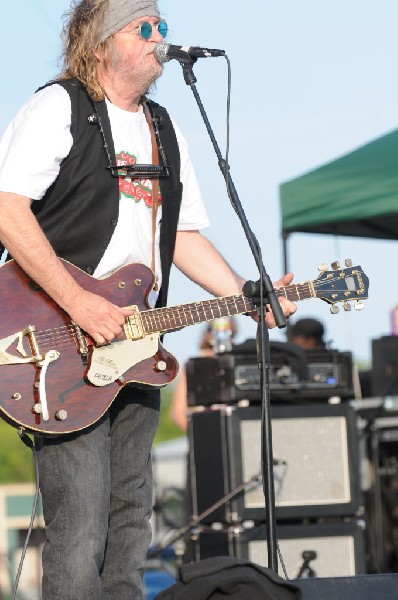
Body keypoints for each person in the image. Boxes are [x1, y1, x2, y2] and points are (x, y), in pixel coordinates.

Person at [0, 1, 297, 598]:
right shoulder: (59, 107)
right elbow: (9, 212)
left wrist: (245, 294)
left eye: (164, 27)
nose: (160, 37)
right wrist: (79, 303)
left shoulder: (164, 127)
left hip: (137, 340)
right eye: (145, 27)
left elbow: (181, 234)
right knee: (81, 522)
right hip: (60, 341)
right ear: (100, 42)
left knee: (131, 517)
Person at [171, 317, 238, 432]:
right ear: (208, 335)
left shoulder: (238, 363)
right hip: (206, 432)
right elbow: (178, 412)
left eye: (228, 333)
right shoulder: (194, 365)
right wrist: (201, 435)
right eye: (217, 331)